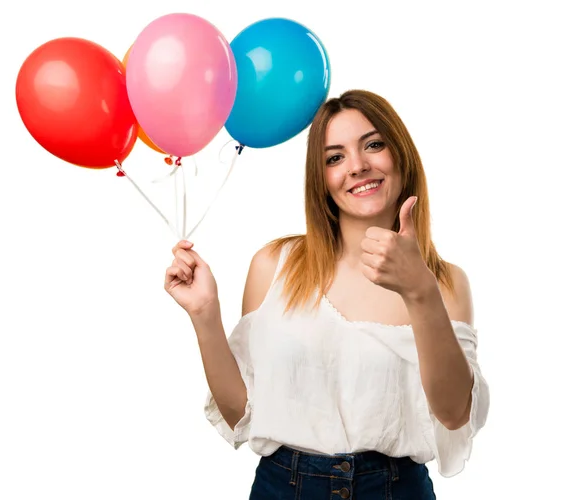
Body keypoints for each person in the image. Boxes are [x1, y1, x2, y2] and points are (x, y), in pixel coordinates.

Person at [164, 89, 490, 499]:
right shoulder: (275, 265)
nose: (357, 166)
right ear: (321, 180)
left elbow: (455, 414)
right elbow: (240, 415)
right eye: (334, 157)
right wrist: (205, 314)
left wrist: (420, 291)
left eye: (373, 145)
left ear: (401, 156)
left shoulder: (445, 283)